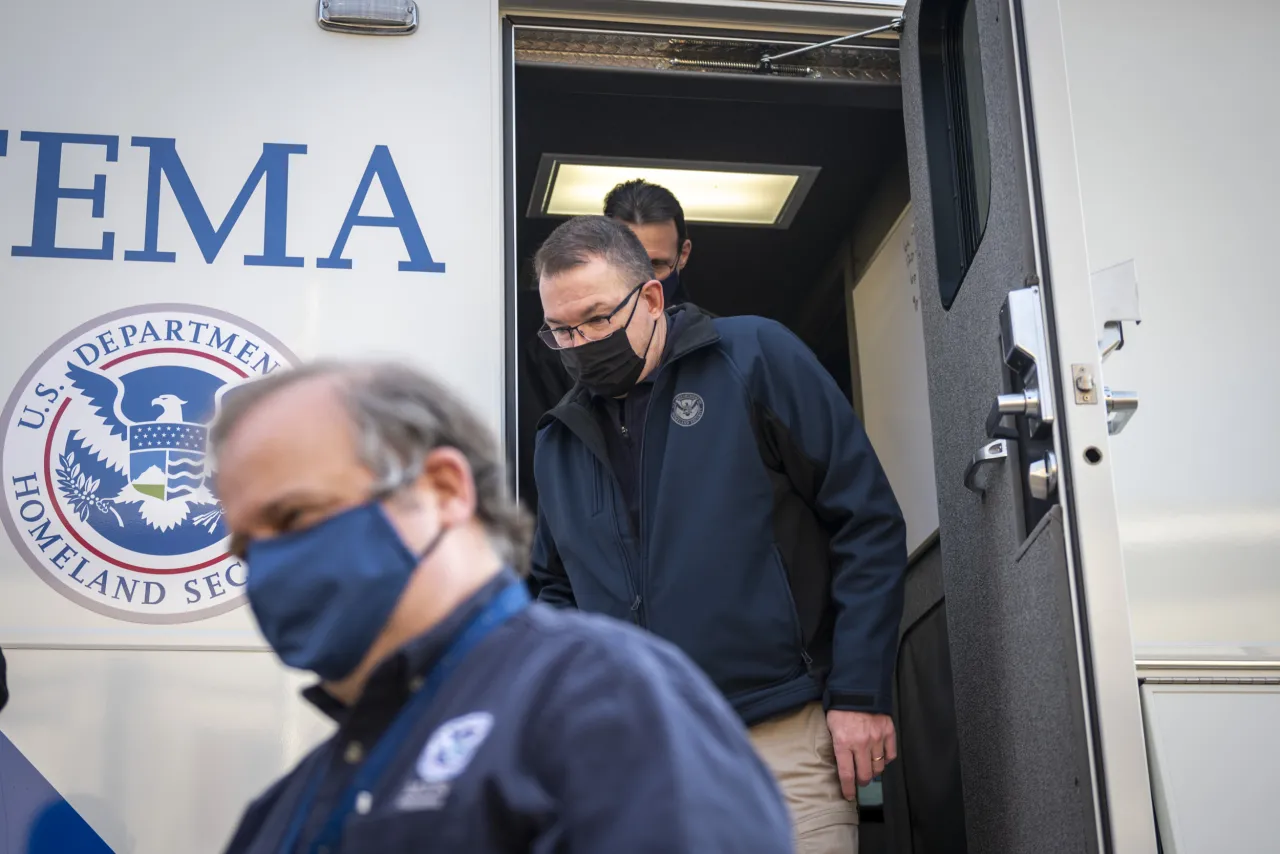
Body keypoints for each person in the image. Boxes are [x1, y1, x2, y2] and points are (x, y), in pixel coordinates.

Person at [212, 361, 794, 854]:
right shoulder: (281, 811)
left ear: (443, 488)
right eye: (246, 546)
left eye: (293, 518)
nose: (267, 565)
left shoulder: (601, 697)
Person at [530, 216, 908, 854]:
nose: (580, 343)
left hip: (777, 744)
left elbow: (865, 521)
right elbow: (555, 593)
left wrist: (860, 691)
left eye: (596, 319)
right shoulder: (557, 441)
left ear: (651, 297)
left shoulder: (755, 356)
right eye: (562, 330)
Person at [518, 179, 697, 518]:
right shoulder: (553, 355)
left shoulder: (733, 356)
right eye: (629, 256)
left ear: (682, 255)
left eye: (656, 264)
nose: (641, 274)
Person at [603, 178, 693, 306]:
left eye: (656, 264)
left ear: (683, 254)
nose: (644, 281)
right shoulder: (571, 322)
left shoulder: (707, 326)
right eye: (628, 264)